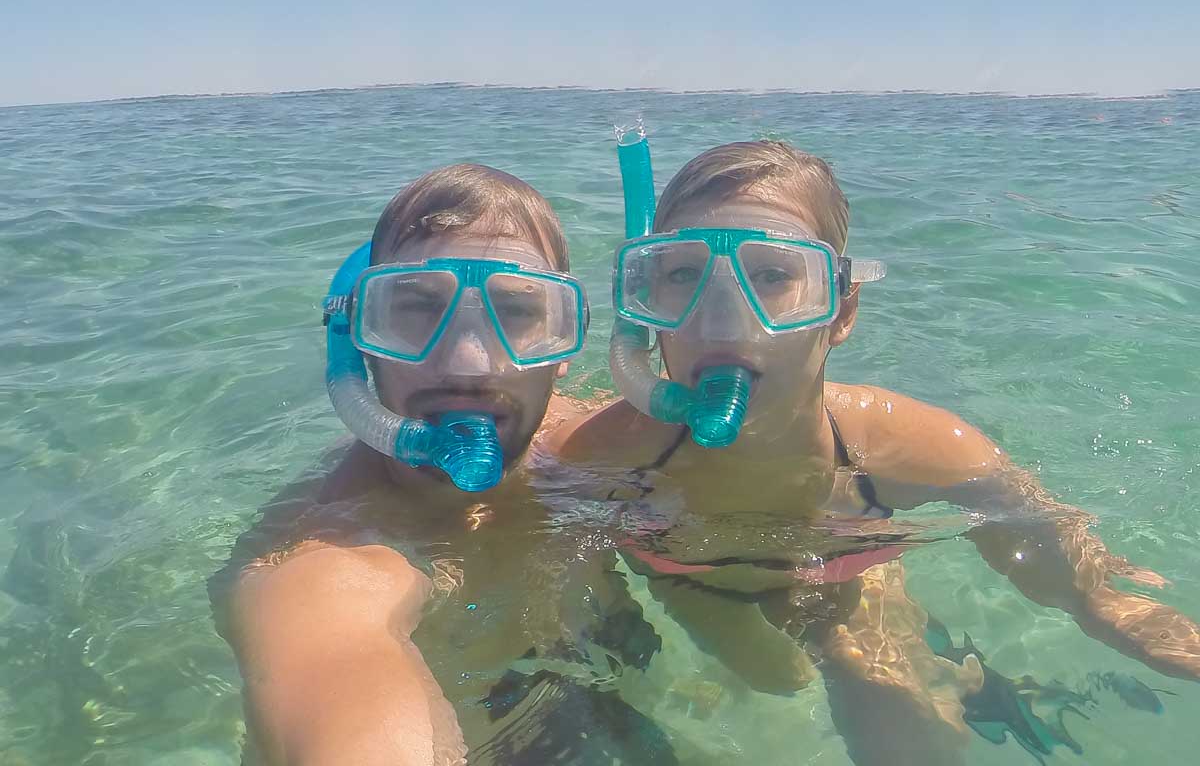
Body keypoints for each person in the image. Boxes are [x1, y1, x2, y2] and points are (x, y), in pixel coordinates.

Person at [554, 131, 1200, 765]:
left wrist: (1109, 607)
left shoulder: (916, 448)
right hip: (690, 581)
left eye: (773, 275)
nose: (723, 318)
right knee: (775, 680)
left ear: (840, 310)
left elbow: (1073, 574)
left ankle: (969, 681)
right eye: (683, 274)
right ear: (642, 305)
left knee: (906, 735)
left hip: (840, 574)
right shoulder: (600, 454)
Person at [210, 165, 671, 766]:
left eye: (515, 312)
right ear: (360, 341)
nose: (467, 364)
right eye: (419, 309)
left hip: (594, 687)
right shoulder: (332, 562)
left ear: (565, 344)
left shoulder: (577, 436)